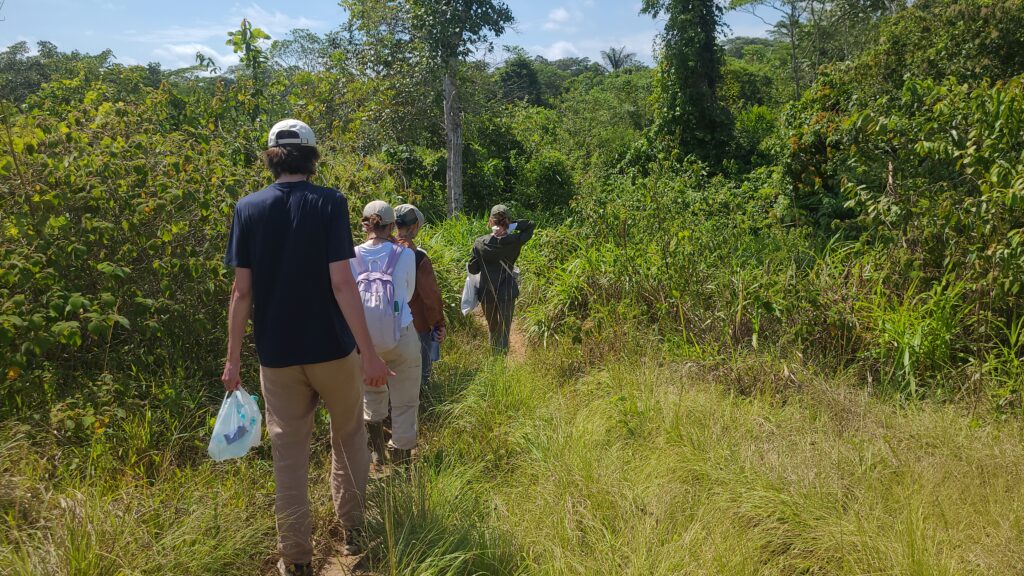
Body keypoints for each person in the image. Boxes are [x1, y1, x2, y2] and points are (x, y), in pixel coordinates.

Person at [221, 119, 390, 576]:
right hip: (333, 350)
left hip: (278, 356)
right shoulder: (330, 202)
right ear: (312, 156)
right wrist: (369, 352)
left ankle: (295, 557)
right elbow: (341, 282)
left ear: (271, 156)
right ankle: (353, 529)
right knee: (349, 435)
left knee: (288, 454)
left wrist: (233, 359)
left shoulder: (248, 208)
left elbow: (241, 293)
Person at [351, 201, 421, 468]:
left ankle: (377, 454)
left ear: (365, 223)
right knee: (405, 401)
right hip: (400, 335)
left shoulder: (352, 254)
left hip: (365, 342)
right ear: (392, 226)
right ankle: (402, 463)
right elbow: (410, 294)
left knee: (371, 394)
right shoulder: (404, 255)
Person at [467, 204, 535, 353]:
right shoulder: (515, 240)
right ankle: (502, 362)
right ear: (507, 221)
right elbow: (530, 225)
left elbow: (473, 269)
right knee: (504, 329)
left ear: (491, 221)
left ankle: (494, 359)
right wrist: (513, 225)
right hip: (507, 291)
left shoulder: (480, 243)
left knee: (493, 329)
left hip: (487, 292)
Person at [394, 204, 446, 387]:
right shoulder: (418, 257)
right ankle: (419, 407)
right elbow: (430, 297)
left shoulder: (383, 251)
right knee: (420, 375)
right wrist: (439, 324)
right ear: (415, 226)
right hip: (417, 325)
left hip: (386, 324)